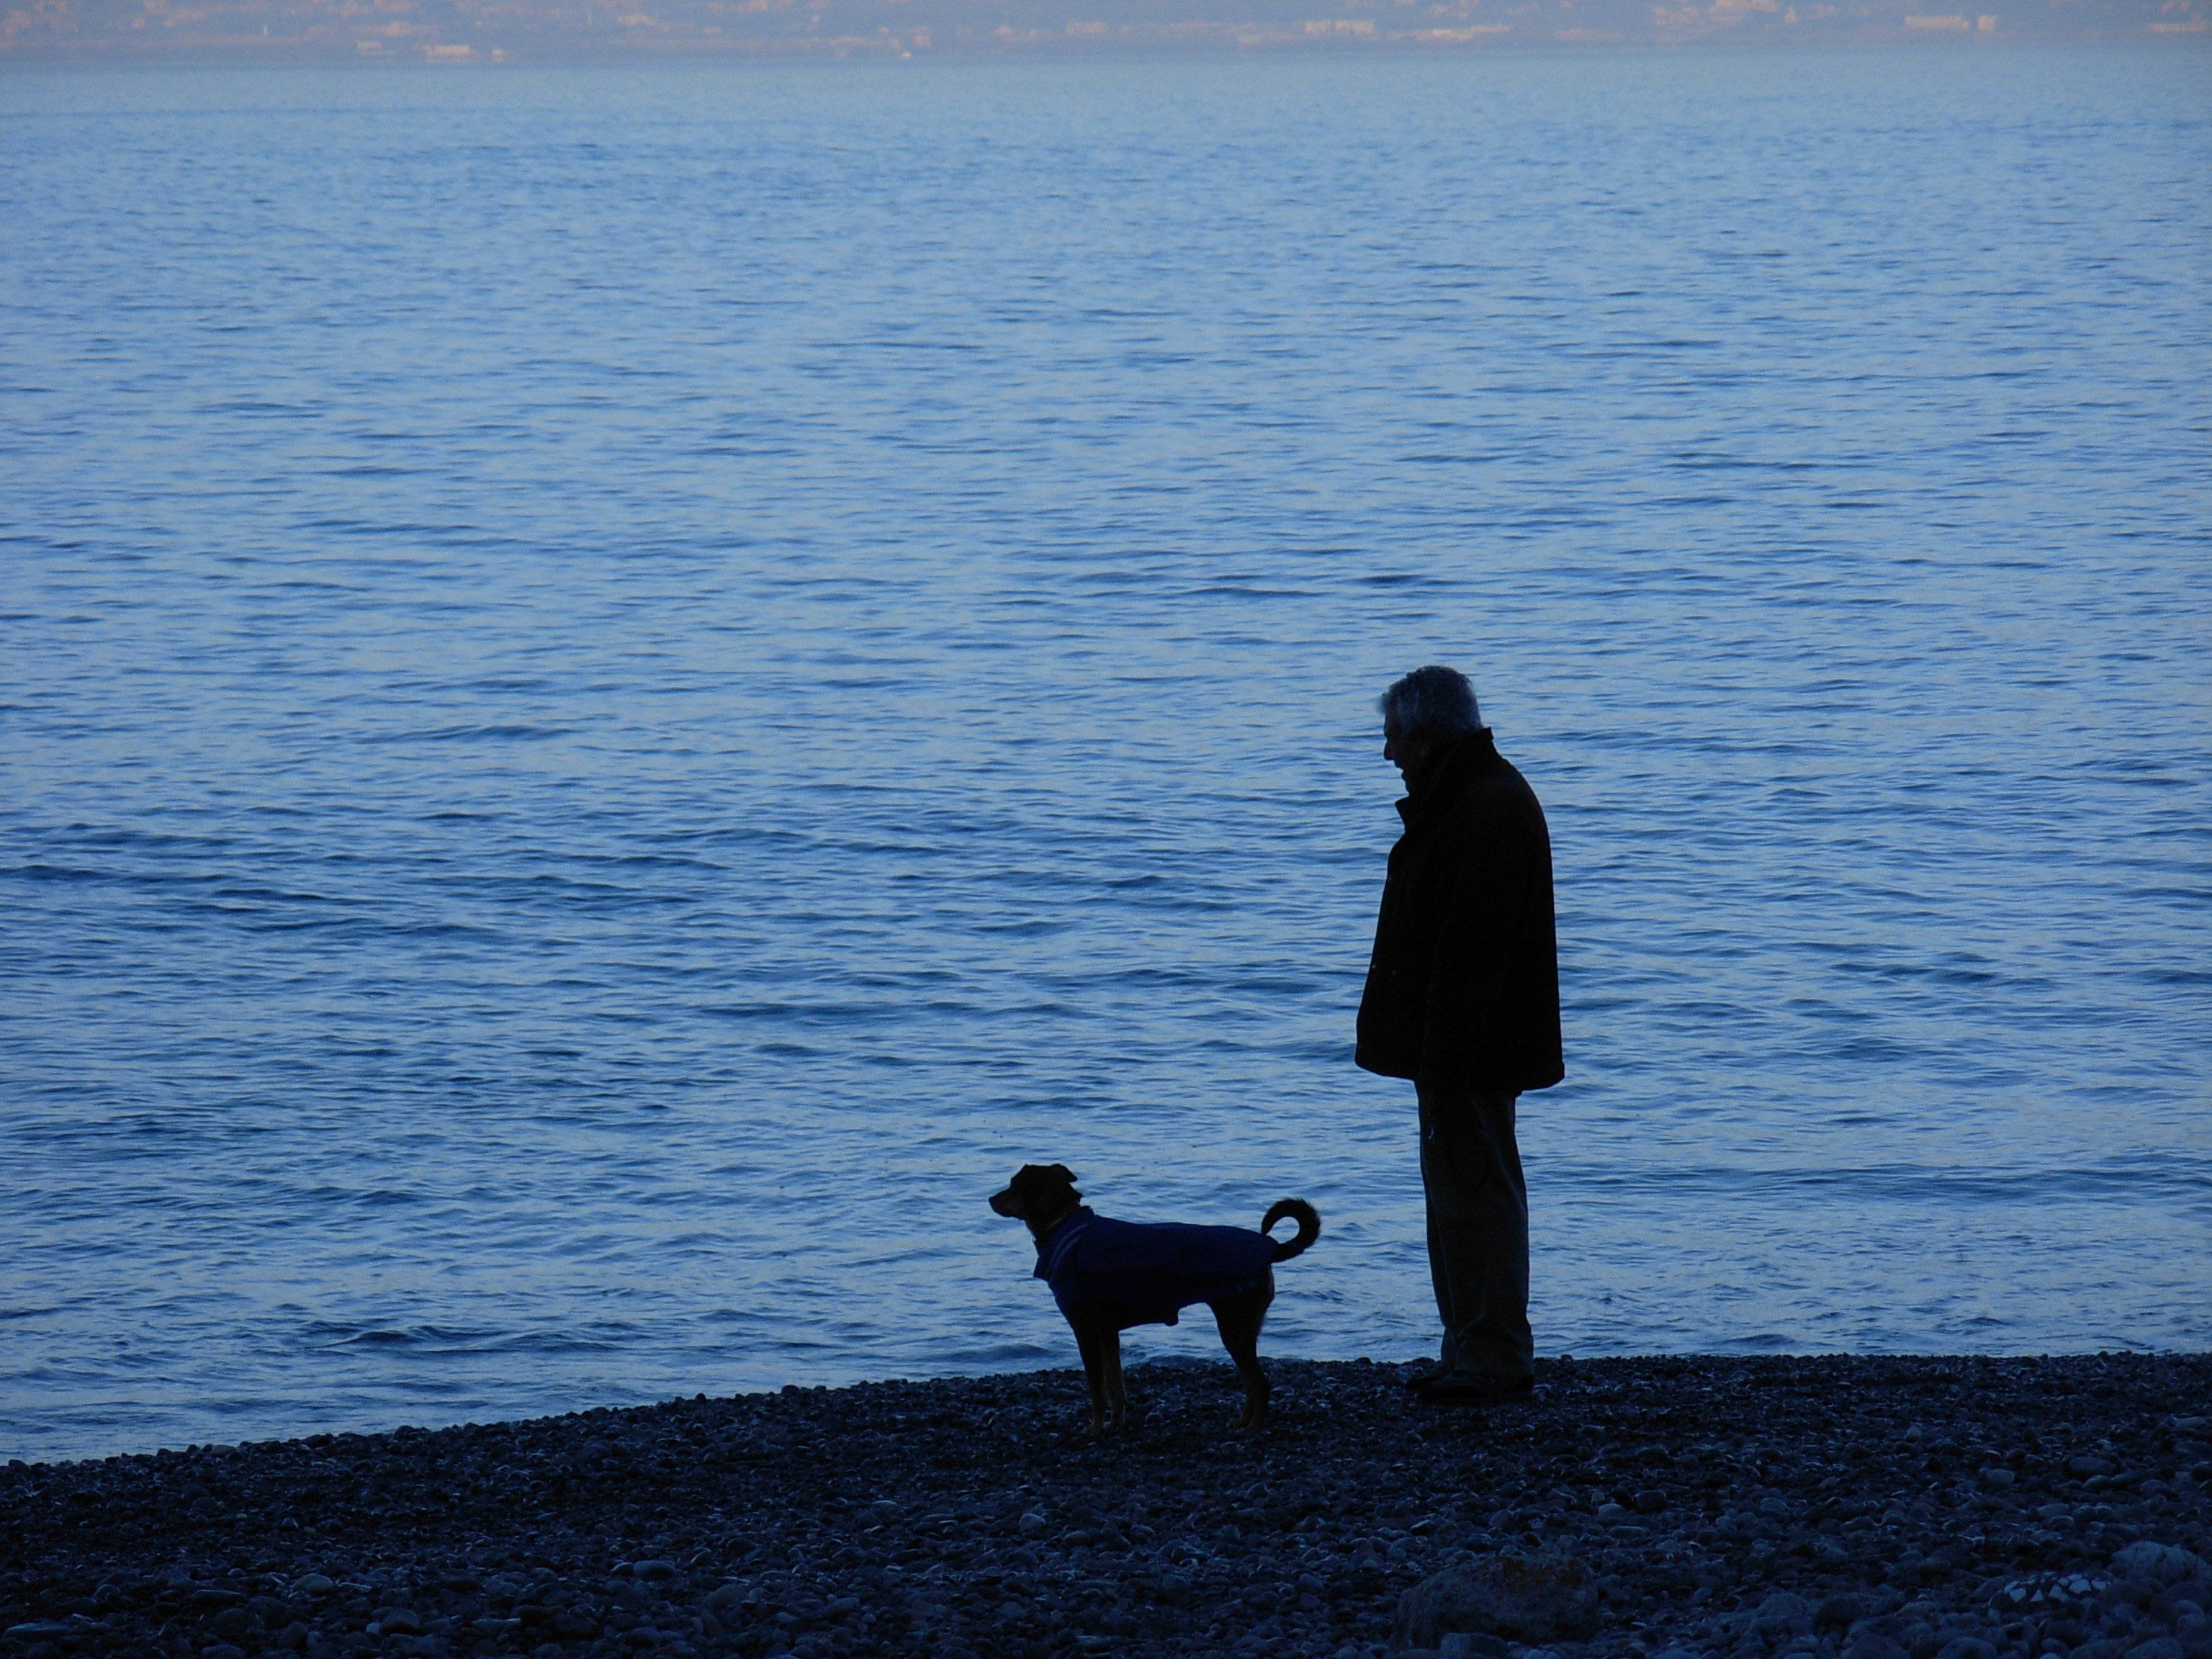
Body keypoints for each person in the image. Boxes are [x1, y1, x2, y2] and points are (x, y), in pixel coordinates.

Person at [1356, 665, 1563, 1406]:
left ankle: (1493, 1356)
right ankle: (1471, 1348)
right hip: (1465, 1049)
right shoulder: (1472, 799)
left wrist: (1444, 1066)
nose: (1386, 752)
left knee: (1476, 1195)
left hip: (1472, 1052)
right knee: (1460, 1198)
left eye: (1392, 737)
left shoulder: (1480, 809)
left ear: (1424, 735)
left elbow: (1469, 962)